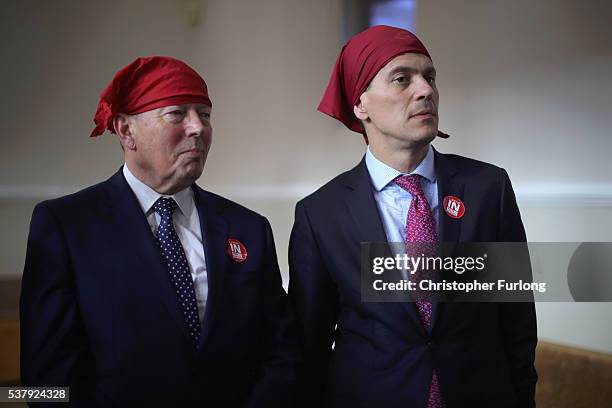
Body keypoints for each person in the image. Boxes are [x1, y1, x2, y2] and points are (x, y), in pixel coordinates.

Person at [20, 56, 297, 407]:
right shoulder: (66, 226)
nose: (197, 127)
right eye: (177, 114)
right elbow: (44, 379)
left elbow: (281, 352)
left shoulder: (248, 228)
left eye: (205, 114)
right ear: (125, 130)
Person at [288, 26, 537, 408]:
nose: (425, 90)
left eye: (430, 77)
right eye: (402, 79)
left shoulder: (488, 188)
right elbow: (310, 344)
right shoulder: (320, 214)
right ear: (361, 104)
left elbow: (517, 322)